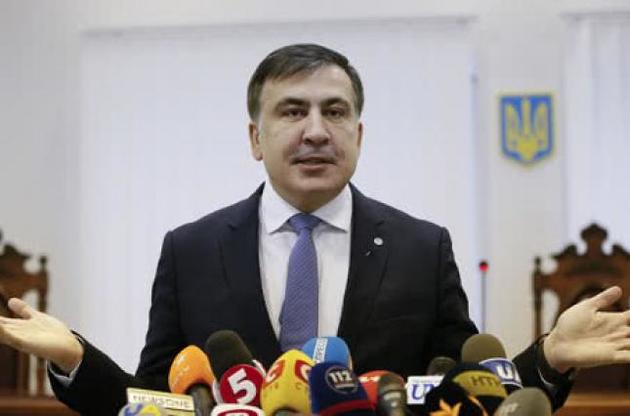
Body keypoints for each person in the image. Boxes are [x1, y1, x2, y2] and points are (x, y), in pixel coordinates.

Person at [1, 43, 630, 415]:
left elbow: (468, 394)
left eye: (335, 111)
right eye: (292, 111)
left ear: (359, 133)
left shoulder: (421, 246)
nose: (316, 131)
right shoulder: (190, 249)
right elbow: (154, 402)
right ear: (256, 138)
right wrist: (76, 359)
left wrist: (549, 357)